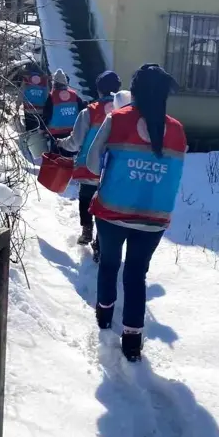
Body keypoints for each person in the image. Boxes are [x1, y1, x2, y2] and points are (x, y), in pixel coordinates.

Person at [86, 64, 186, 362]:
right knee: (136, 275)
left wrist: (113, 175)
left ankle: (104, 314)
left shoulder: (116, 119)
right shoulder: (178, 130)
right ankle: (132, 339)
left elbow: (92, 162)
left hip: (112, 211)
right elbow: (174, 175)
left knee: (109, 264)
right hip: (154, 218)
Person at [56, 70, 122, 253]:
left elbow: (75, 142)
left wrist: (61, 143)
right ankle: (101, 242)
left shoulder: (89, 112)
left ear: (98, 89)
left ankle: (86, 230)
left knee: (86, 198)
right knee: (106, 203)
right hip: (114, 167)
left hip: (89, 167)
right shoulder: (124, 112)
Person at [43, 69, 83, 140]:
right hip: (73, 132)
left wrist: (41, 128)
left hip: (56, 134)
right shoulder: (74, 95)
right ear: (65, 82)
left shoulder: (52, 97)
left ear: (54, 83)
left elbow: (47, 115)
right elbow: (82, 111)